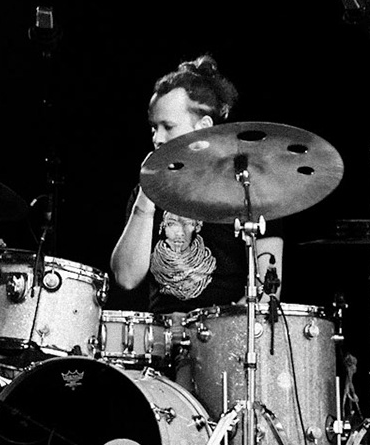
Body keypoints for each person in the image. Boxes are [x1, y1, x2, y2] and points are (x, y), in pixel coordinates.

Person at [110, 54, 283, 309]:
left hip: (224, 339)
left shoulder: (249, 190)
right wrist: (146, 197)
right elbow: (126, 278)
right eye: (153, 128)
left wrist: (222, 335)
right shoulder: (143, 194)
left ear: (203, 128)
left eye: (168, 126)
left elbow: (270, 292)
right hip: (161, 340)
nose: (157, 138)